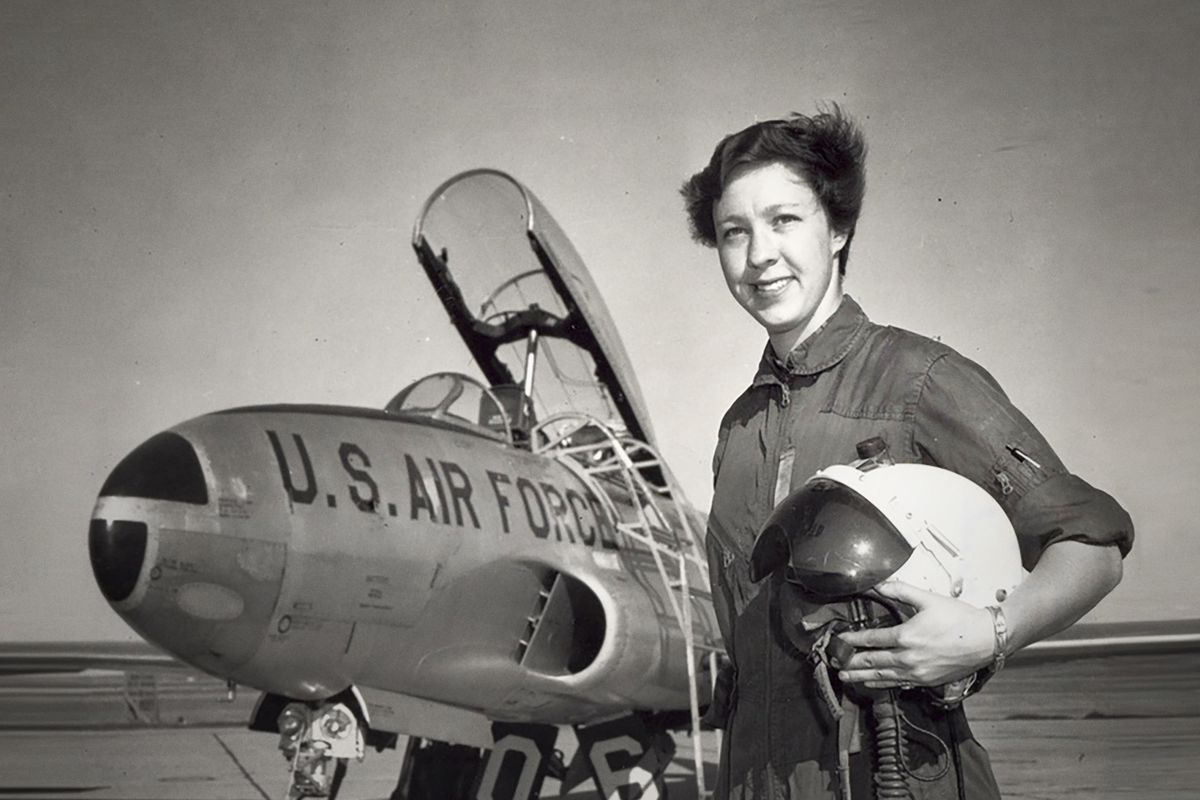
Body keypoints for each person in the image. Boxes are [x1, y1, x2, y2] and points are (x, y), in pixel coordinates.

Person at [681, 106, 1133, 799]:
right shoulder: (738, 428)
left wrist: (992, 633)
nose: (759, 255)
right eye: (733, 233)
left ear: (837, 230)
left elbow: (1091, 544)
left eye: (784, 221)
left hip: (897, 775)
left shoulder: (922, 378)